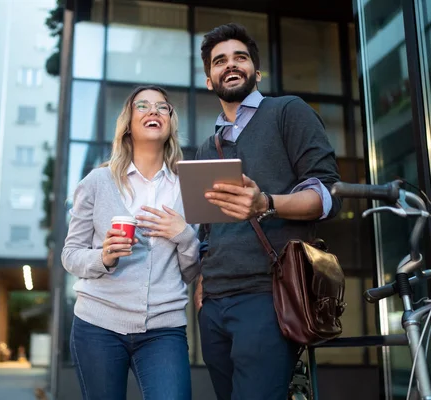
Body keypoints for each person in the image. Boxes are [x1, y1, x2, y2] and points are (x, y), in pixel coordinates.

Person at [194, 23, 342, 400]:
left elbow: (327, 195)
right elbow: (207, 229)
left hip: (268, 295)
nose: (230, 65)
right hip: (213, 304)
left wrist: (267, 204)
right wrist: (201, 285)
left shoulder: (287, 111)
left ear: (255, 73)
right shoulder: (206, 149)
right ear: (209, 80)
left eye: (240, 57)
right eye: (219, 61)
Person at [61, 85, 200, 400]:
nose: (153, 111)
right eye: (143, 105)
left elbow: (191, 272)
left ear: (169, 122)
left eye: (162, 107)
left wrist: (184, 234)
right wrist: (105, 257)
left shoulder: (186, 188)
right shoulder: (97, 183)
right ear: (128, 123)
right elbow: (70, 255)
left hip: (164, 331)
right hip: (98, 325)